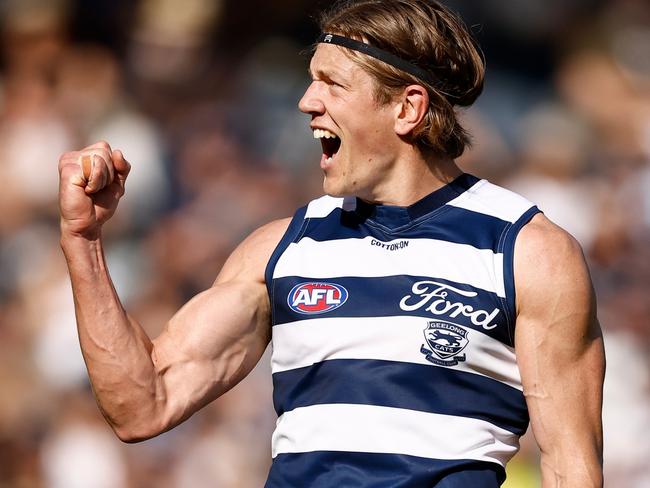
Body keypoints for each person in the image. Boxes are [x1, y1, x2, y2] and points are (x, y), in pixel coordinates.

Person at [57, 1, 605, 486]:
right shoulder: (282, 247)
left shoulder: (525, 249)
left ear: (408, 108)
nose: (305, 102)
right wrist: (84, 242)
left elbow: (571, 467)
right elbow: (142, 406)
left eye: (332, 83)